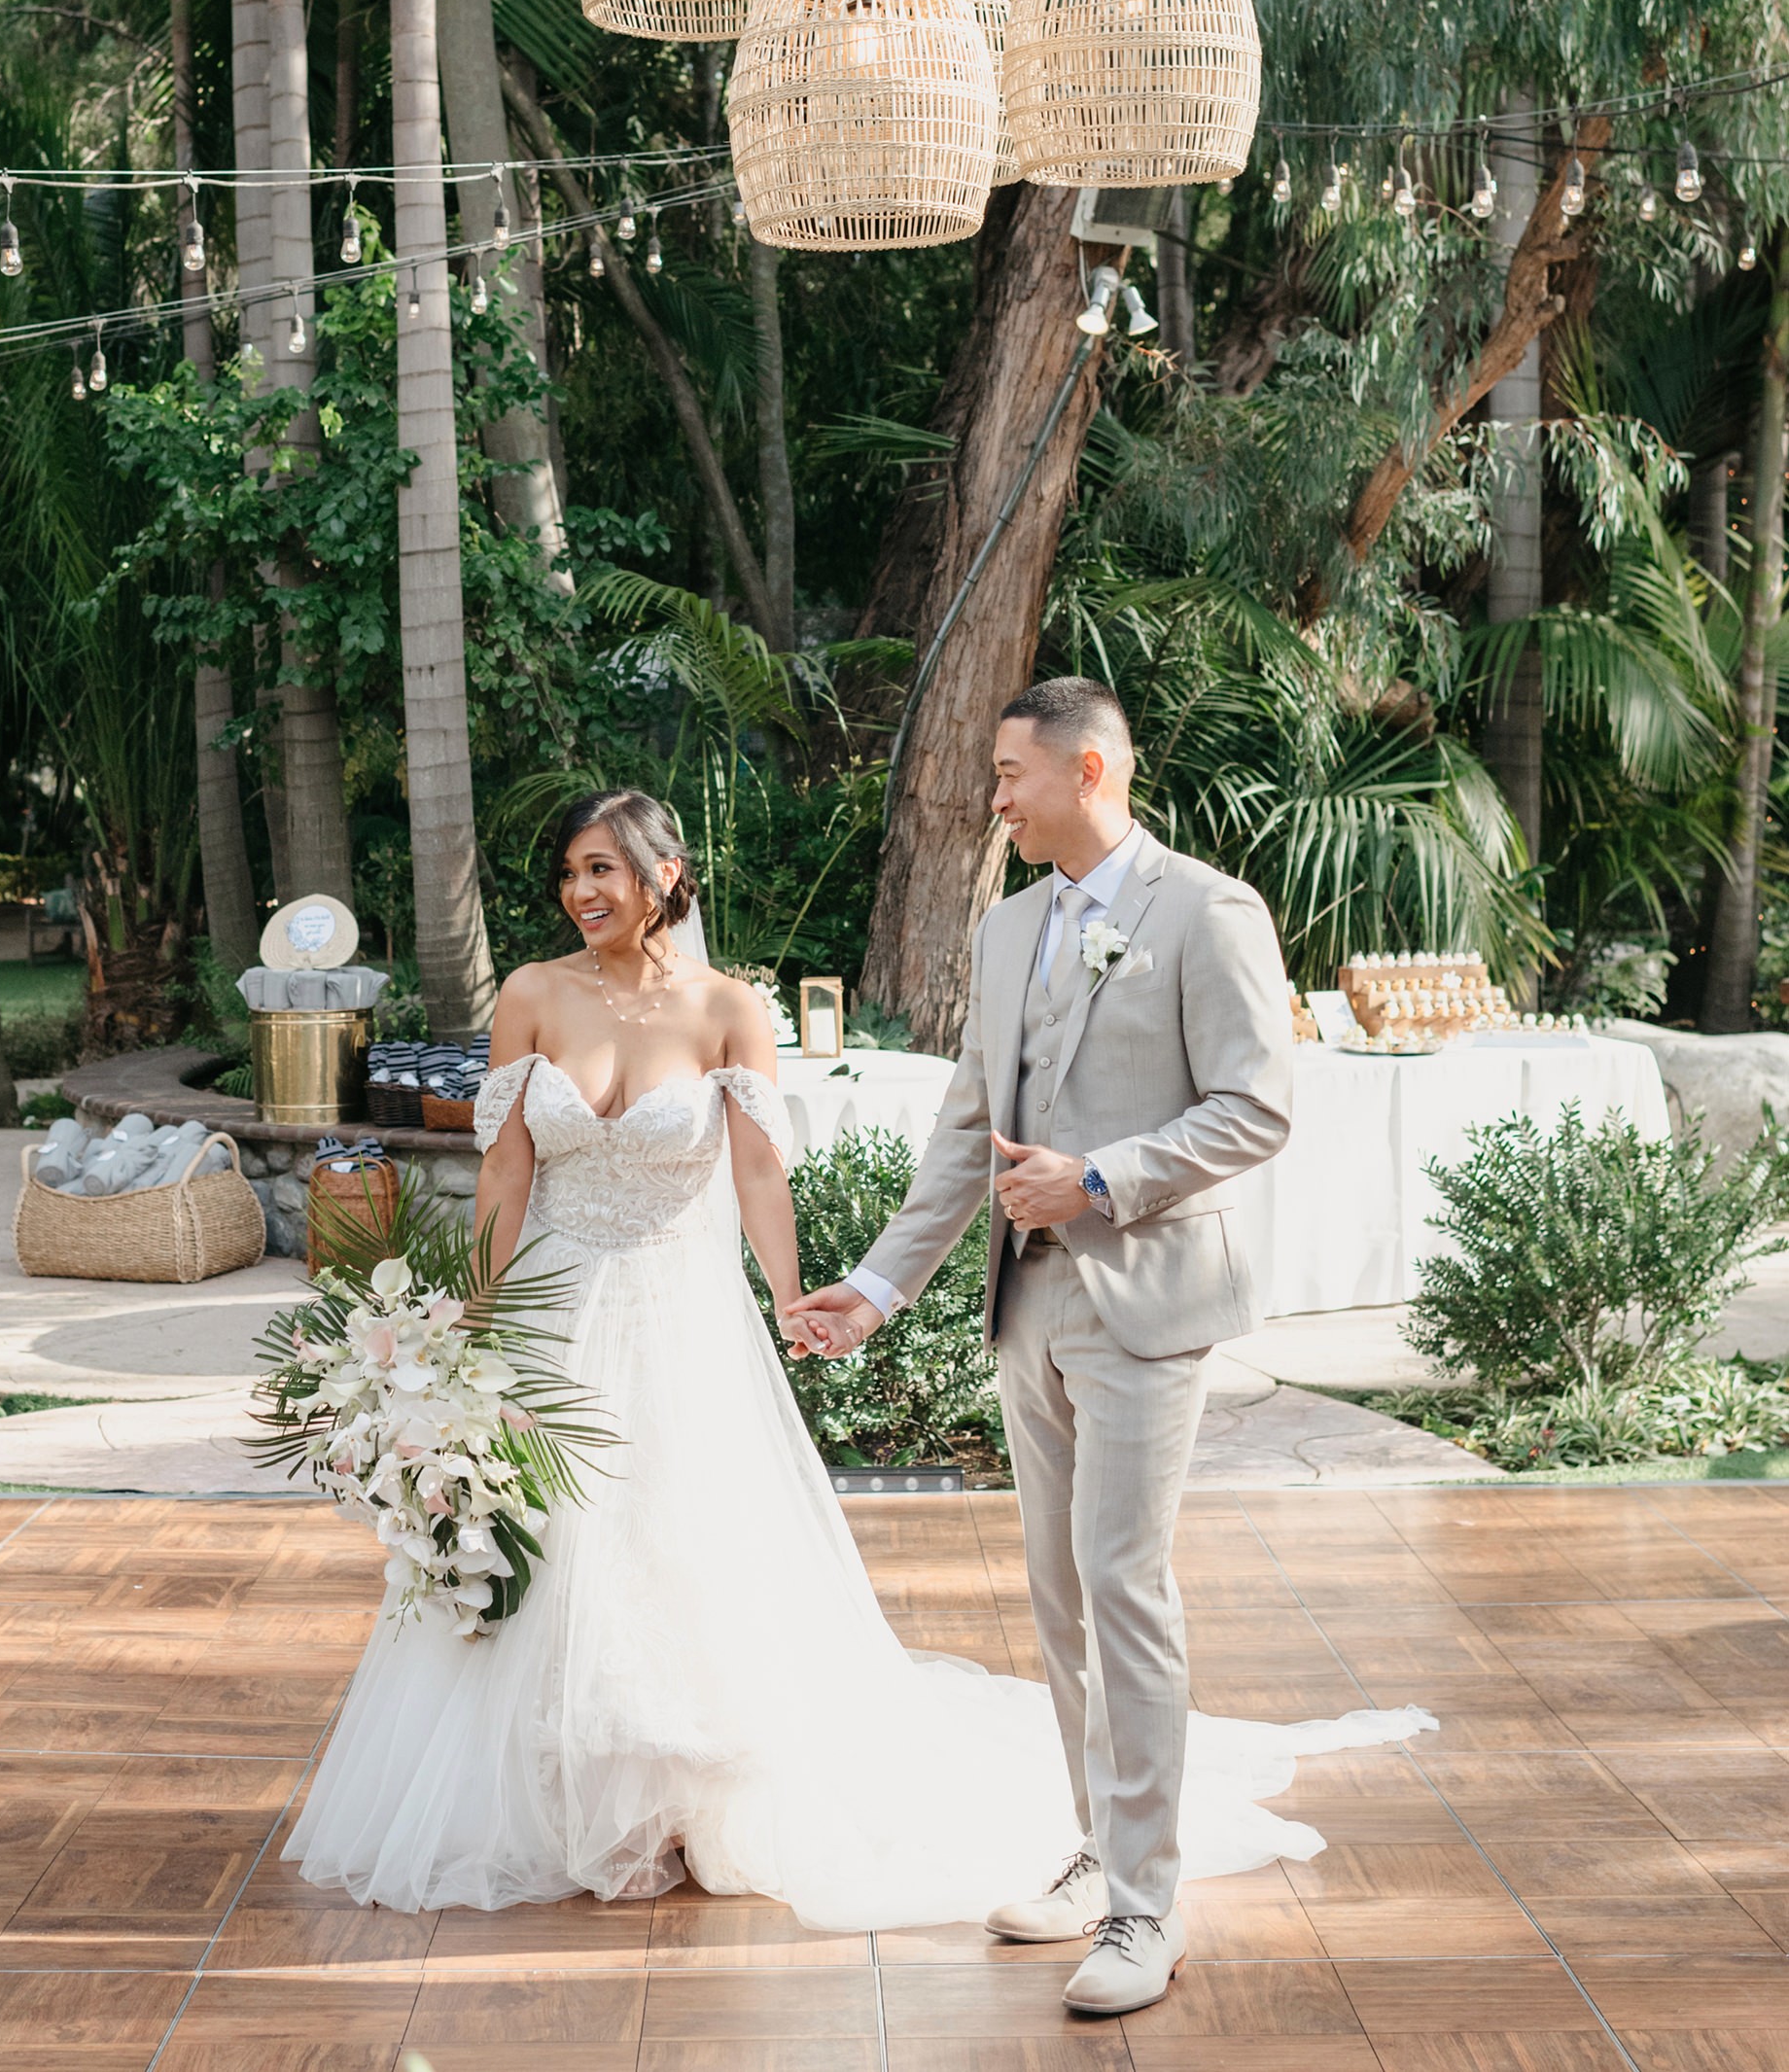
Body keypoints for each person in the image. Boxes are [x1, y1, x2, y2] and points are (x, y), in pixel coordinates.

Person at [291, 776, 1430, 1948]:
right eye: (573, 870)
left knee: (675, 1546)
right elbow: (505, 1176)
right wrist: (467, 1324)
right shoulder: (530, 995)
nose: (583, 890)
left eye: (606, 868)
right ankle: (548, 1792)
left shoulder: (730, 1008)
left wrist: (794, 1296)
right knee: (542, 1541)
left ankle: (684, 1798)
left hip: (683, 1317)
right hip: (549, 1306)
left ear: (664, 877)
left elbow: (754, 1173)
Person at [789, 677, 1295, 2016]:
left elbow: (1256, 1105)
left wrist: (1100, 1177)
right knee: (1061, 1596)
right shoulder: (1008, 925)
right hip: (1030, 1310)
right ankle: (1096, 1851)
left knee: (1121, 1583)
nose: (993, 796)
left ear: (1086, 768)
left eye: (1010, 773)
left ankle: (1145, 1908)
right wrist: (875, 1288)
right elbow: (968, 1127)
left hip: (1147, 1298)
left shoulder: (1205, 908)